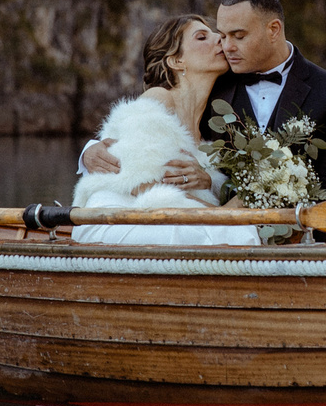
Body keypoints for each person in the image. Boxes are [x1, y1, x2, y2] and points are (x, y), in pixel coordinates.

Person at [82, 0, 326, 202]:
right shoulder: (211, 81)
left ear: (273, 30)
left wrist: (289, 208)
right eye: (222, 35)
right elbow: (142, 128)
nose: (226, 46)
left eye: (238, 36)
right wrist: (89, 152)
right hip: (222, 226)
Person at [69, 13, 258, 246]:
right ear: (176, 61)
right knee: (236, 234)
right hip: (115, 219)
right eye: (201, 37)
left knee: (235, 234)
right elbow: (138, 181)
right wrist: (226, 213)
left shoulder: (214, 122)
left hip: (163, 219)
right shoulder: (159, 99)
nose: (220, 38)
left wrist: (213, 187)